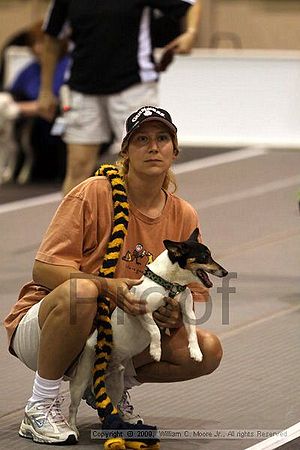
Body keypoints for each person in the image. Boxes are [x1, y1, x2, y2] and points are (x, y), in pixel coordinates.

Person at [4, 105, 222, 445]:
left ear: (174, 151)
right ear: (125, 151)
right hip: (48, 327)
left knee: (207, 349)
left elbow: (195, 293)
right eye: (142, 139)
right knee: (84, 293)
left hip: (115, 336)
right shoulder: (93, 192)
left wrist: (173, 312)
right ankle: (40, 405)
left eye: (162, 138)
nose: (153, 147)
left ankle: (105, 384)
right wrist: (107, 286)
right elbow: (42, 270)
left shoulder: (183, 214)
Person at [38, 0, 202, 195]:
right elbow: (51, 39)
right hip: (82, 86)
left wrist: (191, 33)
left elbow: (191, 3)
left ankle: (151, 222)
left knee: (145, 165)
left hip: (133, 85)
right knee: (77, 166)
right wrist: (45, 90)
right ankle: (73, 224)